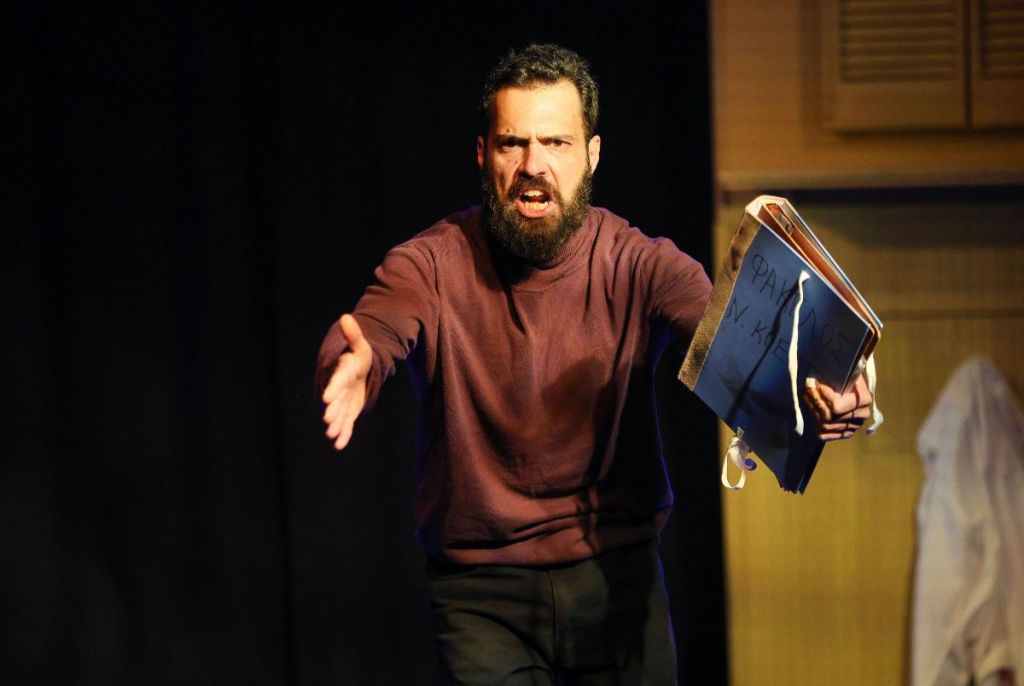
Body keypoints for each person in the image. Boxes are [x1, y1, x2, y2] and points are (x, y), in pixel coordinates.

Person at [316, 43, 872, 685]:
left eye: (556, 143)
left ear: (592, 155)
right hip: (480, 594)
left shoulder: (639, 263)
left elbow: (732, 341)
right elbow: (375, 329)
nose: (534, 166)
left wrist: (828, 392)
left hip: (617, 579)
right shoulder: (432, 263)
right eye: (513, 143)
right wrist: (352, 359)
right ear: (483, 154)